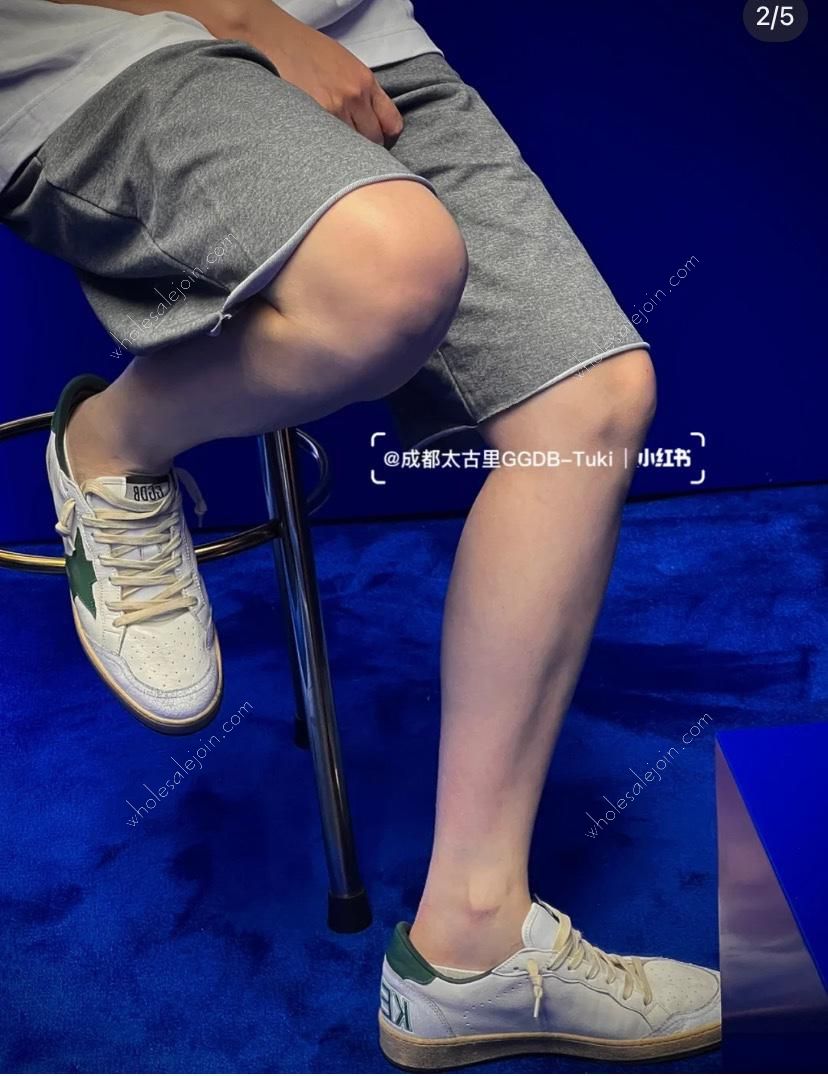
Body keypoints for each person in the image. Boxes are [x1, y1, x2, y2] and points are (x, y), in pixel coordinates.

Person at [0, 0, 720, 1067]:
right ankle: (110, 443)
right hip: (105, 53)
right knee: (390, 270)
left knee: (592, 402)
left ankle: (469, 946)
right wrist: (248, 19)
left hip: (363, 47)